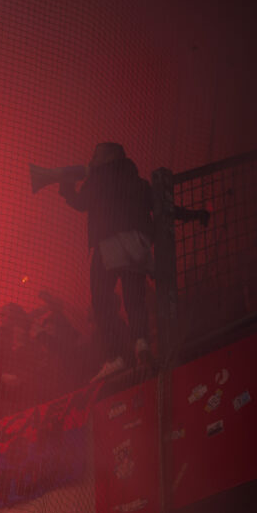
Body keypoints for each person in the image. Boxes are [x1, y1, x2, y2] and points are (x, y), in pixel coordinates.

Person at [58, 142, 208, 379]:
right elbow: (165, 208)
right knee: (135, 300)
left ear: (108, 157)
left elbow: (80, 203)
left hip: (108, 245)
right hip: (137, 244)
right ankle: (142, 344)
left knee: (101, 301)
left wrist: (66, 186)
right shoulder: (139, 182)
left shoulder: (97, 179)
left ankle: (116, 356)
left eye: (96, 155)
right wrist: (195, 214)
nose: (92, 159)